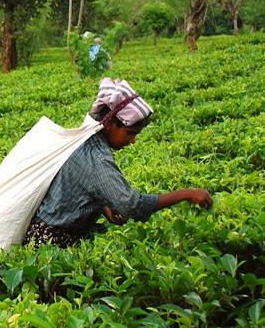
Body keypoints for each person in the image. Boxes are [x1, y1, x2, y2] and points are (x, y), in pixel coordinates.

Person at [24, 78, 213, 248]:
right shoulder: (96, 156)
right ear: (109, 124)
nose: (132, 141)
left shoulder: (86, 139)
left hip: (48, 232)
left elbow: (77, 184)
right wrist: (185, 194)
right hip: (51, 242)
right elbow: (131, 205)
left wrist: (104, 206)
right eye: (130, 134)